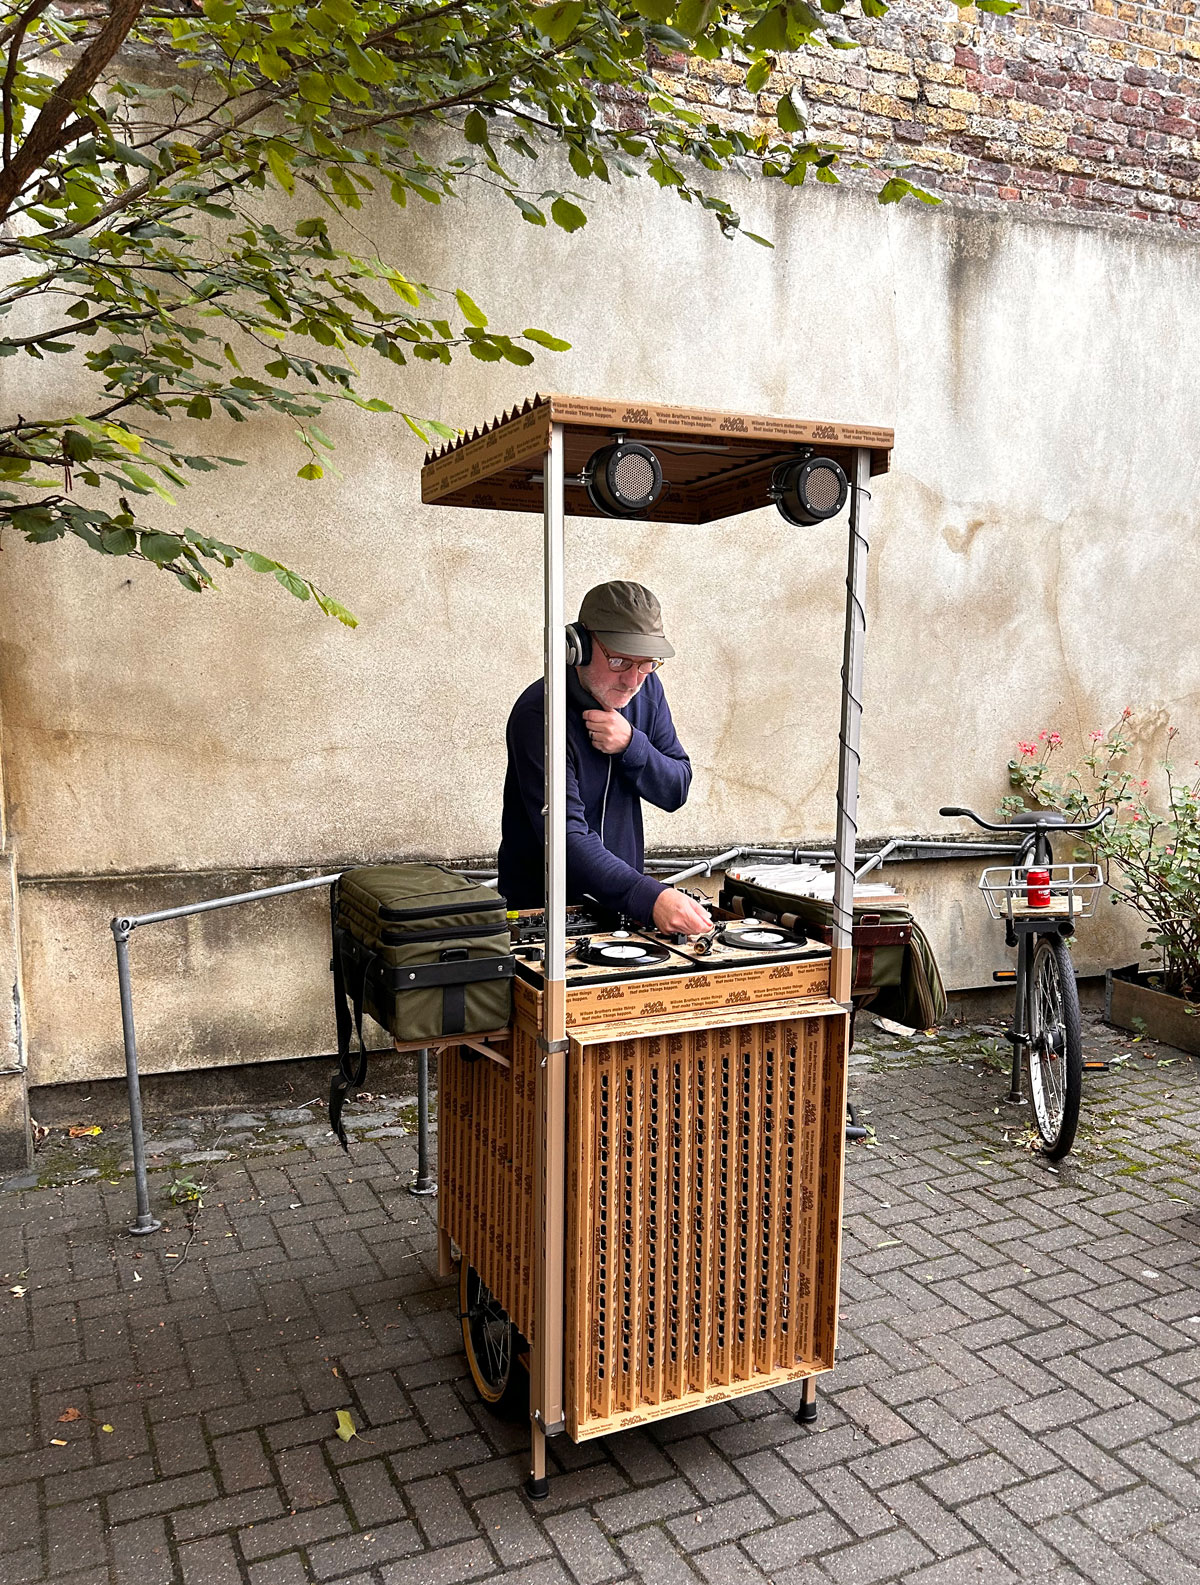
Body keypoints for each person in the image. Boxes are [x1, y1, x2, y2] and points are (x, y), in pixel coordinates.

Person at [498, 580, 712, 935]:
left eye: (647, 664)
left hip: (621, 911)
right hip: (543, 915)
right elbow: (565, 836)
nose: (632, 680)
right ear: (577, 647)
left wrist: (632, 745)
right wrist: (649, 897)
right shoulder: (539, 716)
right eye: (619, 660)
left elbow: (676, 788)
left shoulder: (647, 691)